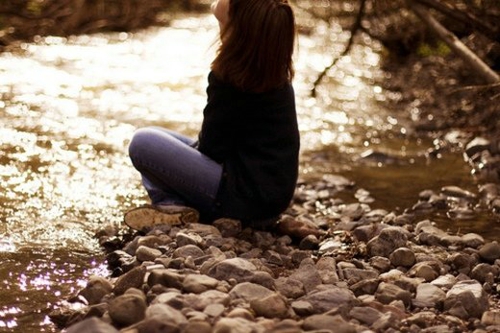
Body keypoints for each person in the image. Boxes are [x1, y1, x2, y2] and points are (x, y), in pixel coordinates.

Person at [124, 0, 300, 232]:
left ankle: (171, 204)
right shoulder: (270, 73)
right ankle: (175, 205)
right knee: (162, 139)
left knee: (143, 143)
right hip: (268, 199)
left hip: (241, 199)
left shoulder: (232, 79)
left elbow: (211, 149)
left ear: (238, 28)